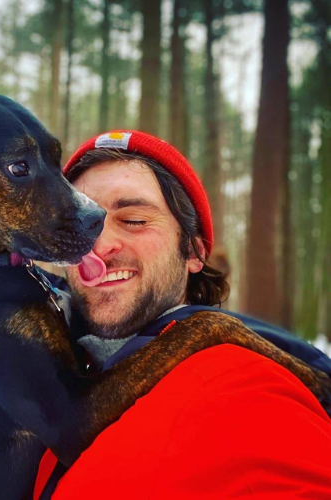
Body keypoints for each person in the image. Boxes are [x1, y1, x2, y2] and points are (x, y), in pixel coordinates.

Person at [34, 131, 331, 500]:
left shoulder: (241, 384)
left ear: (193, 252)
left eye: (135, 220)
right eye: (81, 224)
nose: (100, 245)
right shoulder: (42, 381)